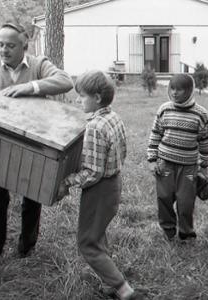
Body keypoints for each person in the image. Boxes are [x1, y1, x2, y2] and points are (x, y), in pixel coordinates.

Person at [0, 23, 73, 264]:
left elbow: (65, 81)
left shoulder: (38, 65)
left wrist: (31, 86)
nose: (4, 50)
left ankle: (26, 247)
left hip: (33, 142)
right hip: (0, 144)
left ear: (24, 46)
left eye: (10, 45)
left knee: (33, 195)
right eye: (0, 44)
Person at [58, 70, 142, 300]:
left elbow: (93, 173)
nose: (77, 100)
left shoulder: (95, 127)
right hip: (114, 183)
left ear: (96, 97)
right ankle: (109, 284)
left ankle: (124, 290)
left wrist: (68, 181)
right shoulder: (113, 117)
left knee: (87, 243)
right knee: (97, 234)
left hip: (99, 190)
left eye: (82, 96)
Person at [147, 74, 208, 241]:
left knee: (186, 202)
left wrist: (204, 166)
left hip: (188, 168)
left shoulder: (200, 114)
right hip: (165, 164)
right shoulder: (164, 109)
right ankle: (168, 230)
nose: (174, 93)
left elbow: (205, 141)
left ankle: (186, 233)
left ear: (190, 91)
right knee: (164, 198)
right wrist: (152, 160)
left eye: (179, 89)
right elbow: (155, 135)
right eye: (172, 88)